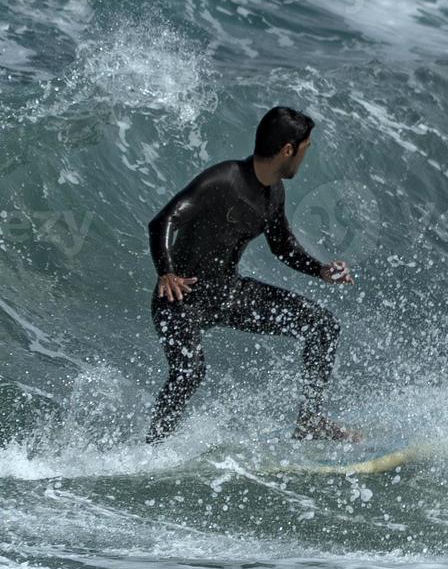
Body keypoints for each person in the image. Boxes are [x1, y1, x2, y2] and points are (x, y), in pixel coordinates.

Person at [144, 106, 358, 443]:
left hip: (226, 293)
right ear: (288, 150)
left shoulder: (273, 191)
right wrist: (166, 273)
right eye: (305, 149)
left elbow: (283, 246)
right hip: (180, 300)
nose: (305, 157)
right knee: (189, 373)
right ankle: (152, 448)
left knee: (323, 326)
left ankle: (310, 421)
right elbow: (163, 221)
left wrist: (321, 270)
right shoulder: (224, 179)